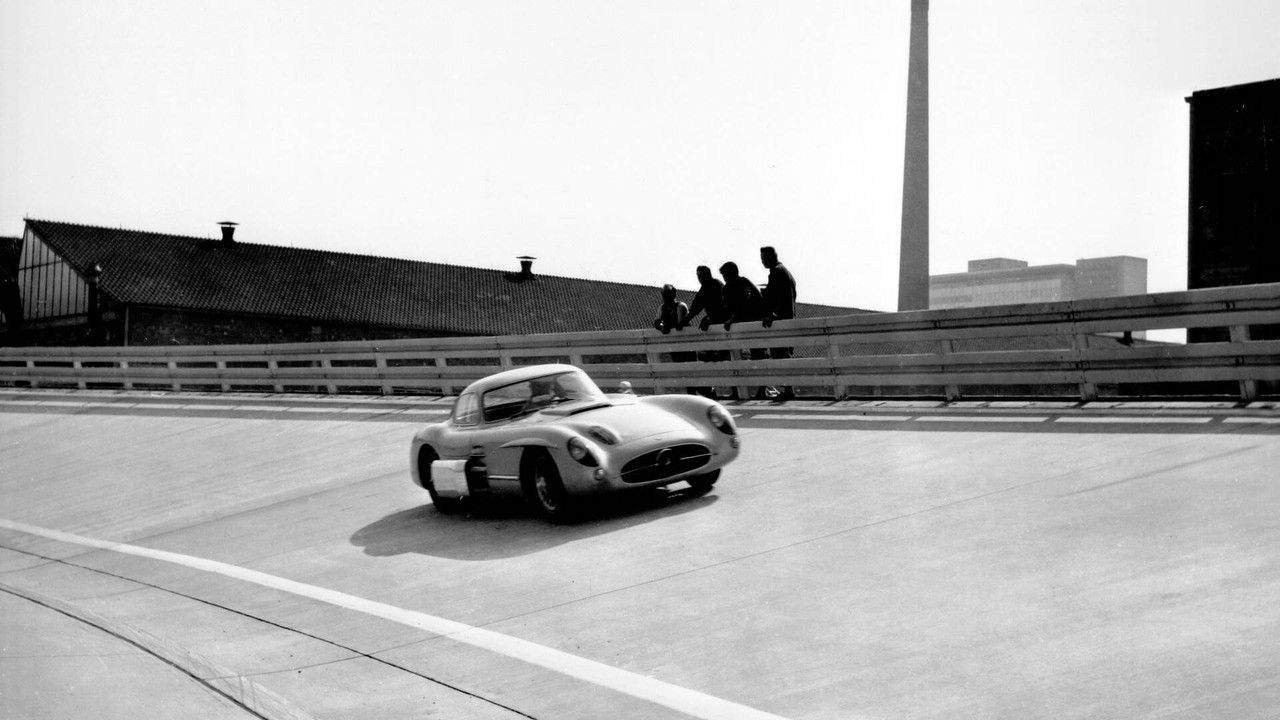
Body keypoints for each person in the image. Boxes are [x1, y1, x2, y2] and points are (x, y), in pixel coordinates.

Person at [719, 261, 769, 399]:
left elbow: (744, 303)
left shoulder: (742, 283)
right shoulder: (727, 288)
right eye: (723, 275)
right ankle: (737, 390)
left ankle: (762, 389)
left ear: (733, 273)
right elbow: (727, 307)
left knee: (758, 356)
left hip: (751, 324)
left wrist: (733, 319)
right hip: (738, 326)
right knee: (734, 356)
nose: (725, 278)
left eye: (726, 275)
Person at [681, 266, 729, 398]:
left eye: (702, 276)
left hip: (724, 324)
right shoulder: (703, 290)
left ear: (709, 275)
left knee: (728, 357)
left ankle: (736, 390)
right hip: (713, 326)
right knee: (706, 357)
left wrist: (709, 318)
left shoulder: (717, 286)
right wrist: (684, 321)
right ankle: (709, 390)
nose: (700, 279)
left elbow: (724, 307)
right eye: (698, 276)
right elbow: (695, 308)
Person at [760, 246, 797, 400]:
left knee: (780, 355)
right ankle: (789, 389)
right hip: (788, 317)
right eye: (762, 258)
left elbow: (779, 297)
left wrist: (773, 315)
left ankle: (788, 390)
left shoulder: (776, 272)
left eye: (764, 258)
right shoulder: (786, 271)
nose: (763, 261)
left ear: (772, 257)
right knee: (785, 354)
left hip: (779, 320)